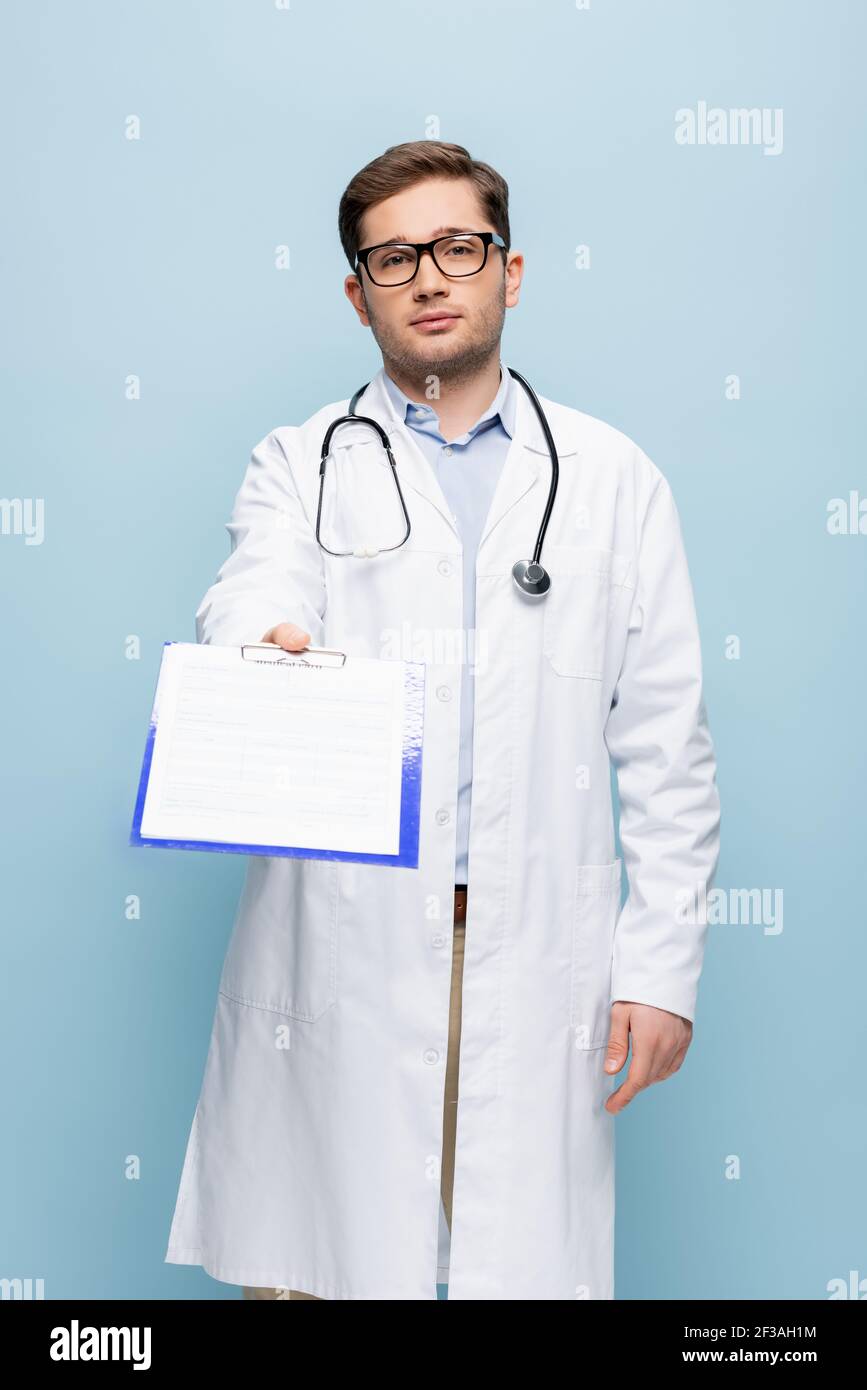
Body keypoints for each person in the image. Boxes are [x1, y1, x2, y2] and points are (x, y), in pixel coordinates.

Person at [164, 139, 721, 1301]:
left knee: (515, 1275)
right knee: (324, 1271)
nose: (429, 277)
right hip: (346, 946)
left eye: (458, 248)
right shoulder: (300, 463)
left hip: (535, 952)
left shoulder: (615, 480)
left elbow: (667, 746)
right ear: (357, 292)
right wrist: (258, 647)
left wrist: (661, 966)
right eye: (395, 257)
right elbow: (252, 593)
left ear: (509, 273)